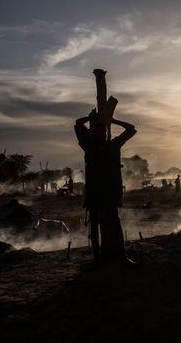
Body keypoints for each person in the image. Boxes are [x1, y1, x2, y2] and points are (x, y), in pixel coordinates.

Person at [75, 109, 137, 263]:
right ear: (94, 133)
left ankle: (121, 256)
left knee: (112, 223)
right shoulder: (92, 146)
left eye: (102, 132)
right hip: (97, 190)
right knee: (96, 225)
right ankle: (99, 258)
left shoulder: (109, 145)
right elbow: (78, 124)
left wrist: (112, 120)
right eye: (98, 131)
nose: (100, 134)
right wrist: (95, 118)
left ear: (106, 133)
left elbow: (131, 129)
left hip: (107, 191)